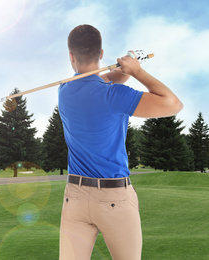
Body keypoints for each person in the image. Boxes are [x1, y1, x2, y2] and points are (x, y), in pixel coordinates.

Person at [58, 24, 183, 260]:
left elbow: (107, 79)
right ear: (101, 54)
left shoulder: (64, 89)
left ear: (71, 56)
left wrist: (126, 66)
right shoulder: (115, 95)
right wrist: (137, 71)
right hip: (114, 198)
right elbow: (173, 104)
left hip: (74, 196)